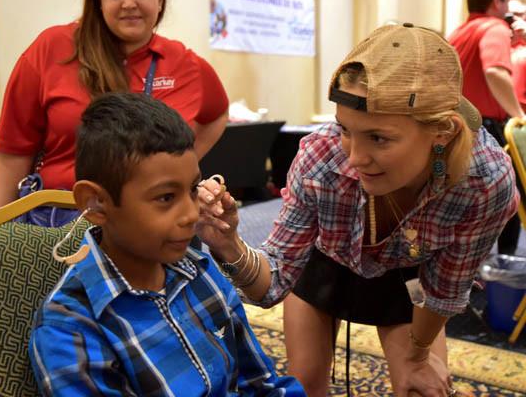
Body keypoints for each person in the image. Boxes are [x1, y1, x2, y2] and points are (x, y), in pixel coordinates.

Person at [197, 23, 518, 397]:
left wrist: (418, 357)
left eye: (378, 138)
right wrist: (230, 245)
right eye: (345, 129)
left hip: (409, 275)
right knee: (304, 386)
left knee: (423, 388)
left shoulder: (485, 181)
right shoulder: (321, 155)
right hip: (325, 257)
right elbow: (272, 283)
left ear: (442, 132)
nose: (354, 157)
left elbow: (444, 290)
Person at [28, 92, 304, 396]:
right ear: (96, 205)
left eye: (192, 190)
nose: (190, 214)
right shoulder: (71, 330)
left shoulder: (200, 271)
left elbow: (261, 384)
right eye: (165, 198)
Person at [0, 0, 229, 218]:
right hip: (64, 214)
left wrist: (176, 172)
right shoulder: (52, 48)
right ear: (98, 0)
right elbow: (13, 150)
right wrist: (1, 229)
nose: (129, 4)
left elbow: (217, 114)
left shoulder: (185, 64)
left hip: (156, 219)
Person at [448, 0, 523, 255]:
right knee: (509, 200)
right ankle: (503, 268)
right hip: (485, 130)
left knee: (459, 204)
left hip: (454, 127)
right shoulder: (494, 27)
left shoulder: (458, 32)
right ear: (496, 1)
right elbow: (494, 72)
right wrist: (519, 116)